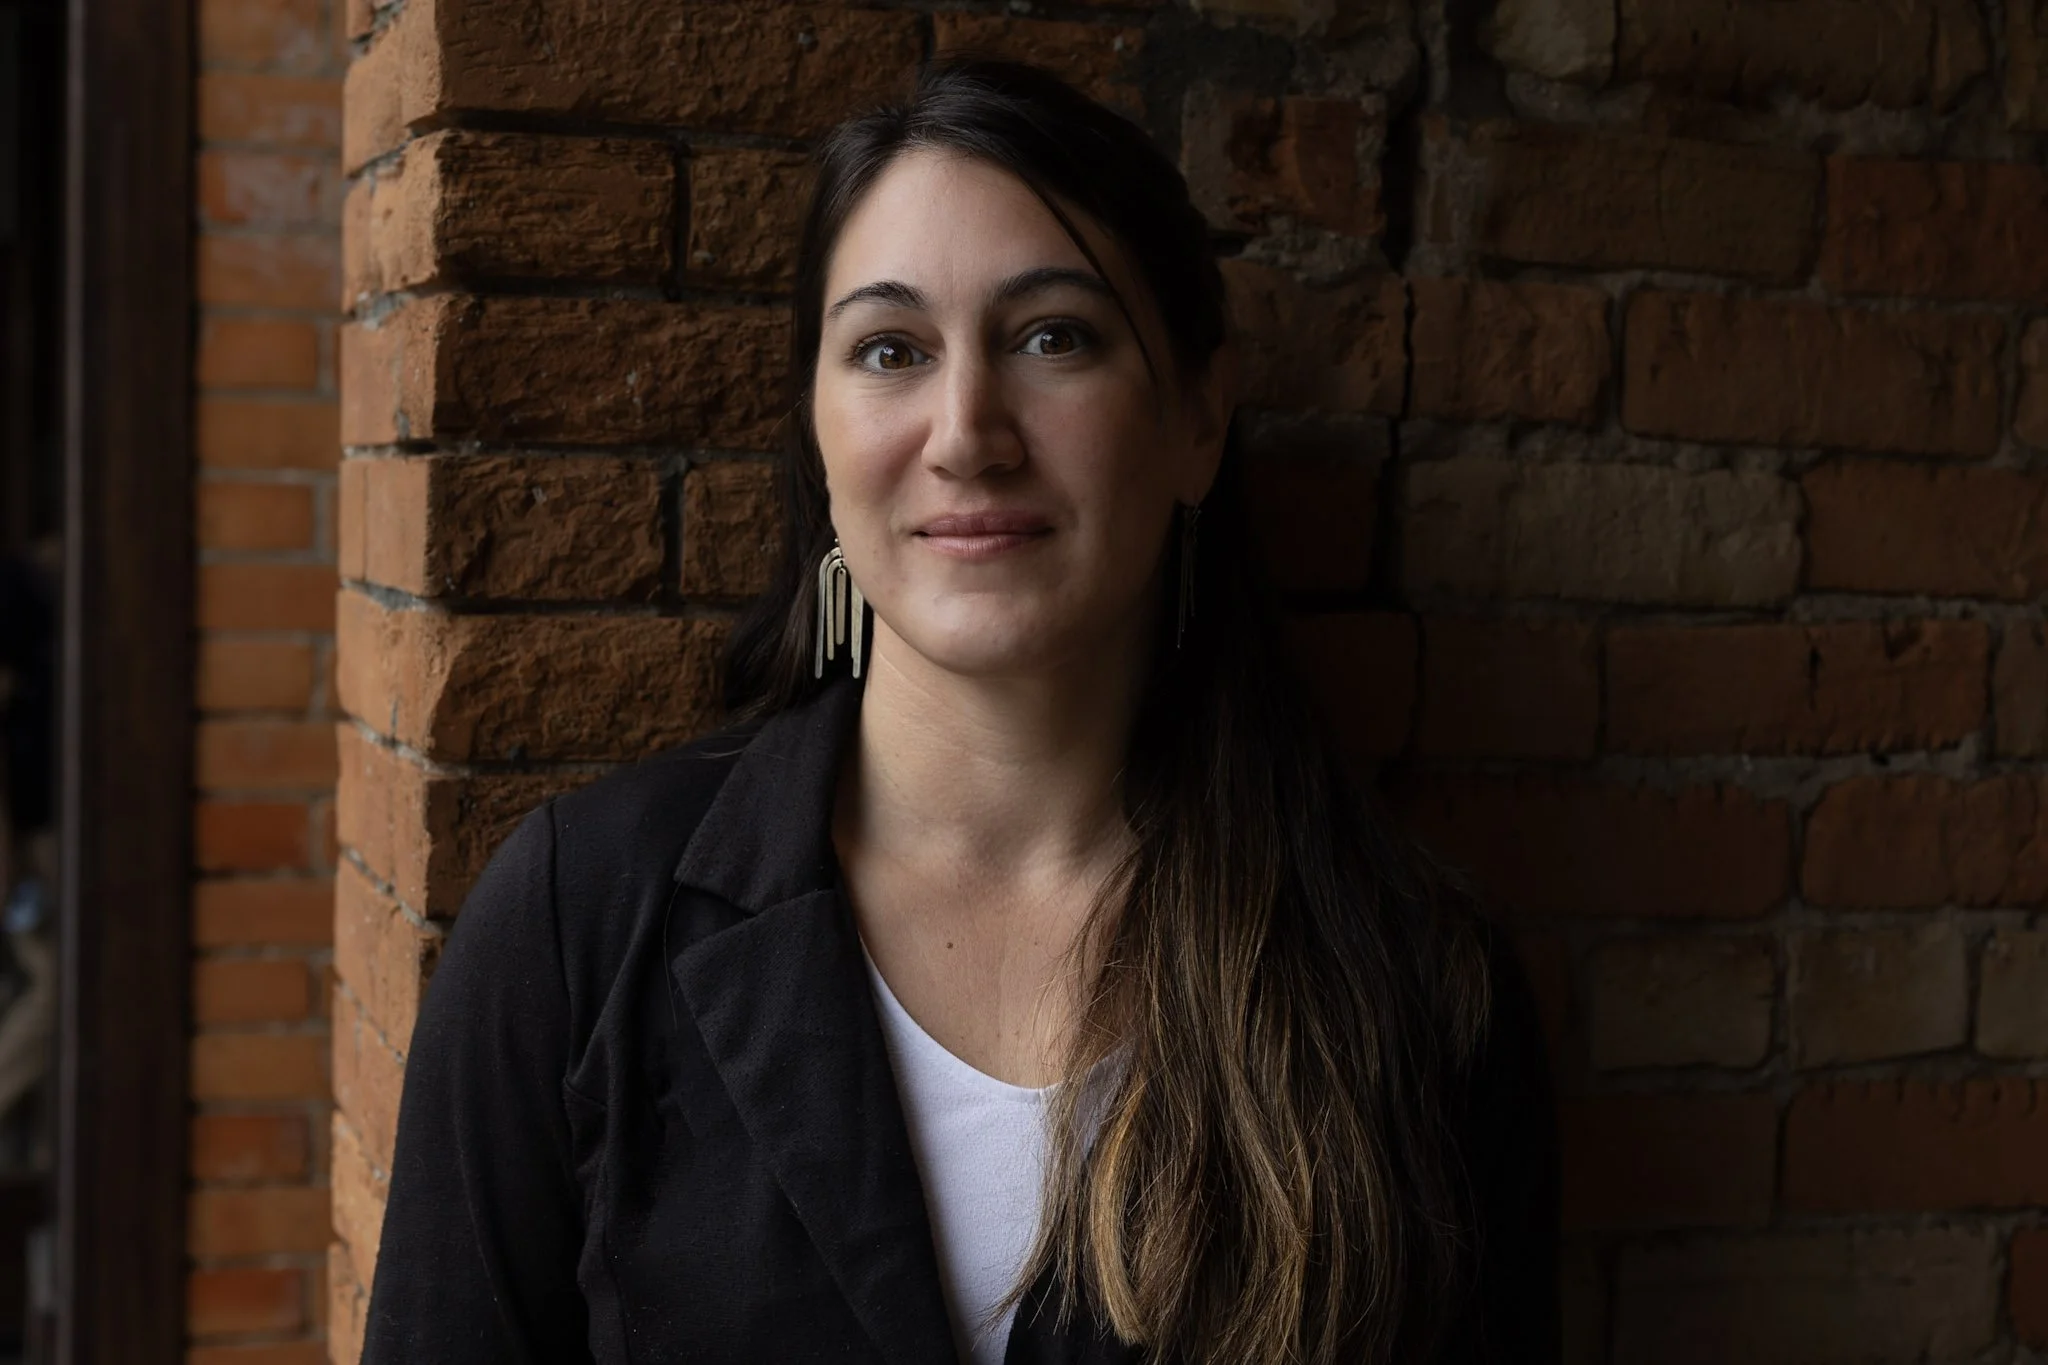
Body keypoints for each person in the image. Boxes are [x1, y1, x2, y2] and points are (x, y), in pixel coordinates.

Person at [362, 55, 1558, 1365]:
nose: (966, 431)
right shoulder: (578, 925)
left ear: (1196, 419)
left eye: (1055, 336)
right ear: (817, 439)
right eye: (890, 350)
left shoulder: (1417, 989)